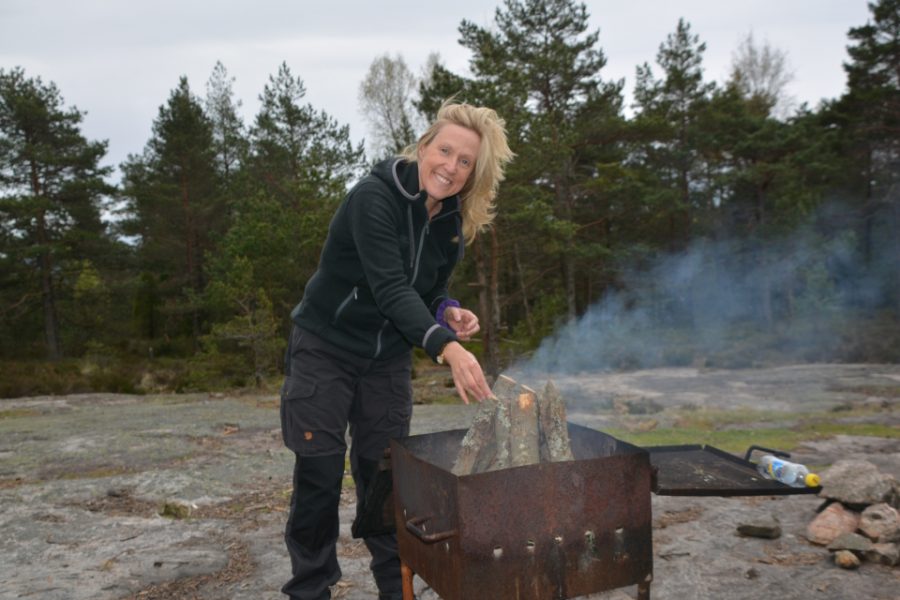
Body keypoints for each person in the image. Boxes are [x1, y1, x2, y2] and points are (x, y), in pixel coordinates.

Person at [279, 100, 514, 600]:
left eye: (465, 161)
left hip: (384, 363)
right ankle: (309, 589)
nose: (450, 166)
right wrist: (447, 349)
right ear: (423, 146)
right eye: (444, 150)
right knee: (320, 474)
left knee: (385, 481)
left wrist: (446, 311)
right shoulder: (374, 198)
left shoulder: (450, 225)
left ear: (473, 174)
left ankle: (397, 590)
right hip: (326, 348)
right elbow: (389, 288)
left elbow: (424, 292)